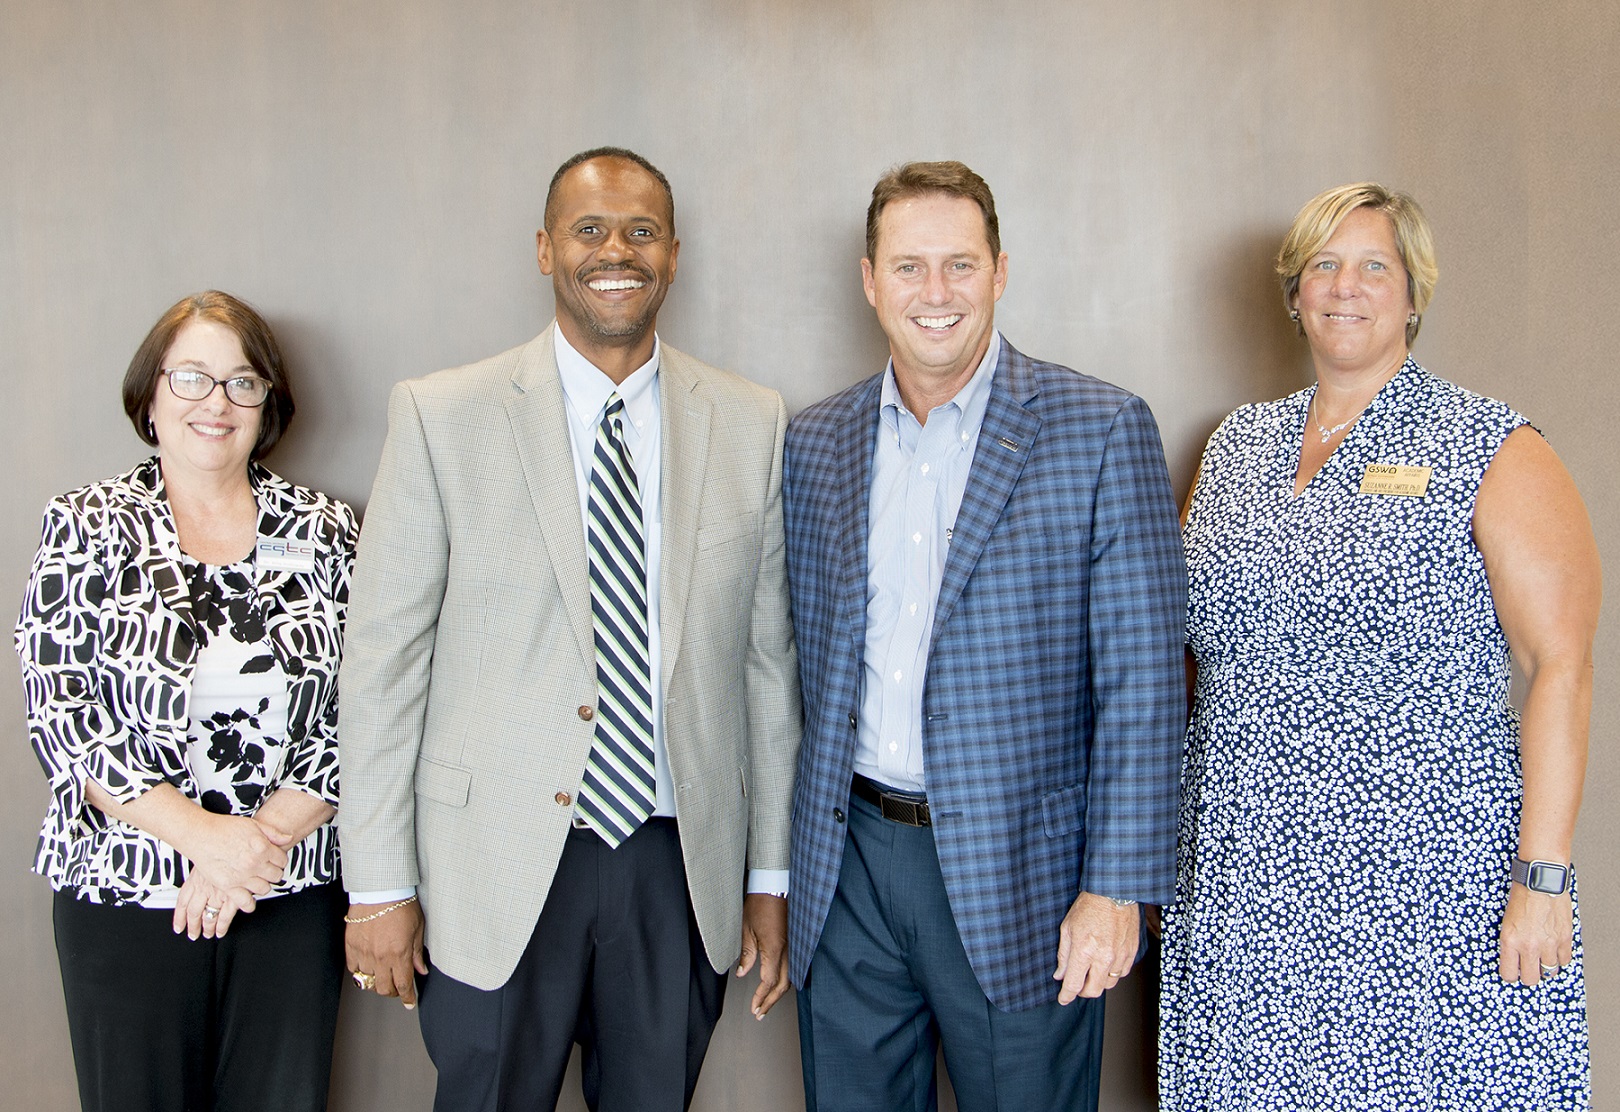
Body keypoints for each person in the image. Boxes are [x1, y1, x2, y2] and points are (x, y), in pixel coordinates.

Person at [337, 146, 801, 1112]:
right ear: (546, 250)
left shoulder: (751, 421)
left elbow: (767, 669)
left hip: (676, 868)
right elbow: (384, 664)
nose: (615, 252)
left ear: (674, 255)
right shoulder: (442, 415)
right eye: (589, 230)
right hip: (492, 868)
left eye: (641, 231)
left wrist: (767, 874)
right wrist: (377, 883)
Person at [1158, 182, 1598, 1109]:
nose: (1345, 286)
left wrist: (1544, 878)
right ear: (1293, 293)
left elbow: (1560, 663)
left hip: (1429, 882)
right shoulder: (1238, 445)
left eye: (1373, 267)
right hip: (1248, 877)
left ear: (1413, 293)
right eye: (1323, 265)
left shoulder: (1488, 443)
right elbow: (1193, 645)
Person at [784, 160, 1187, 1111]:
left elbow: (1143, 679)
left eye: (959, 266)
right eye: (911, 266)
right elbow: (795, 663)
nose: (936, 293)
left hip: (1024, 879)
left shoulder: (1099, 428)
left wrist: (1117, 888)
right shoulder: (815, 442)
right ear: (870, 279)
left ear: (1000, 273)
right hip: (847, 867)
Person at [16, 290, 356, 1112]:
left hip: (288, 893)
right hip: (124, 895)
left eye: (243, 383)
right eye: (193, 378)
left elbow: (369, 707)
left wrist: (254, 847)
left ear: (269, 402)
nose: (217, 403)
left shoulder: (327, 530)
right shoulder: (86, 523)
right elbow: (62, 713)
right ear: (152, 393)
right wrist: (204, 839)